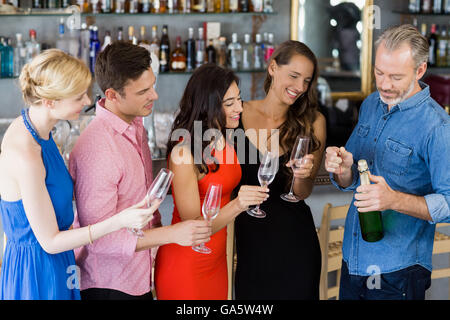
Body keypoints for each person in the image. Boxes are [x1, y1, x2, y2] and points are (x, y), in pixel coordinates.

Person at [0, 49, 158, 300]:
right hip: (38, 272)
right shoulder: (25, 153)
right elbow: (50, 241)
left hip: (61, 263)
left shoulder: (42, 132)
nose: (87, 102)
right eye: (78, 97)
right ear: (50, 102)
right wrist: (119, 221)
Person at [69, 41, 212, 301]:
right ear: (112, 95)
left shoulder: (135, 125)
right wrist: (172, 234)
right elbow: (99, 239)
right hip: (110, 286)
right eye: (143, 91)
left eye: (153, 85)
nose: (154, 96)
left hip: (139, 276)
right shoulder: (98, 147)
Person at [324, 24, 450, 300]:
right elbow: (354, 176)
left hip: (399, 272)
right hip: (353, 259)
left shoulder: (438, 127)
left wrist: (393, 200)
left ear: (419, 70)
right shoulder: (371, 104)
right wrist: (344, 169)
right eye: (379, 73)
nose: (383, 84)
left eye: (395, 77)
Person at [154, 64, 269, 300]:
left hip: (217, 262)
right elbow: (194, 228)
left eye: (239, 99)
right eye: (229, 104)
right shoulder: (184, 153)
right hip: (186, 265)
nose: (239, 108)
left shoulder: (227, 139)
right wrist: (239, 204)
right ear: (207, 106)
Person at [234, 40, 327, 299]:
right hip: (250, 244)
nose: (299, 87)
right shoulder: (237, 113)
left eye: (306, 81)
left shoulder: (313, 122)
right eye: (294, 76)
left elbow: (302, 193)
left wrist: (302, 175)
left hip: (296, 243)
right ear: (273, 67)